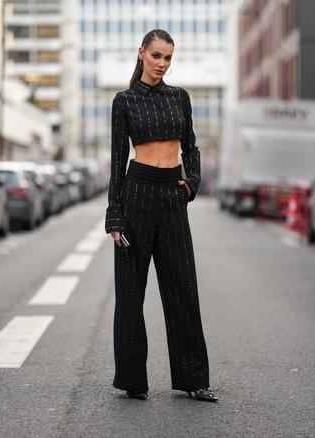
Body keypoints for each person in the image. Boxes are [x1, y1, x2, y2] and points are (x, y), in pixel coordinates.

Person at [105, 29, 217, 403]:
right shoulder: (124, 101)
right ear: (141, 54)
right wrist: (115, 217)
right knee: (130, 292)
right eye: (156, 56)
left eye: (168, 58)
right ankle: (133, 379)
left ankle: (193, 380)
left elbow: (191, 147)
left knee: (183, 288)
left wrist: (191, 182)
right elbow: (117, 162)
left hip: (172, 195)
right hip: (136, 192)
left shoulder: (179, 97)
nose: (162, 64)